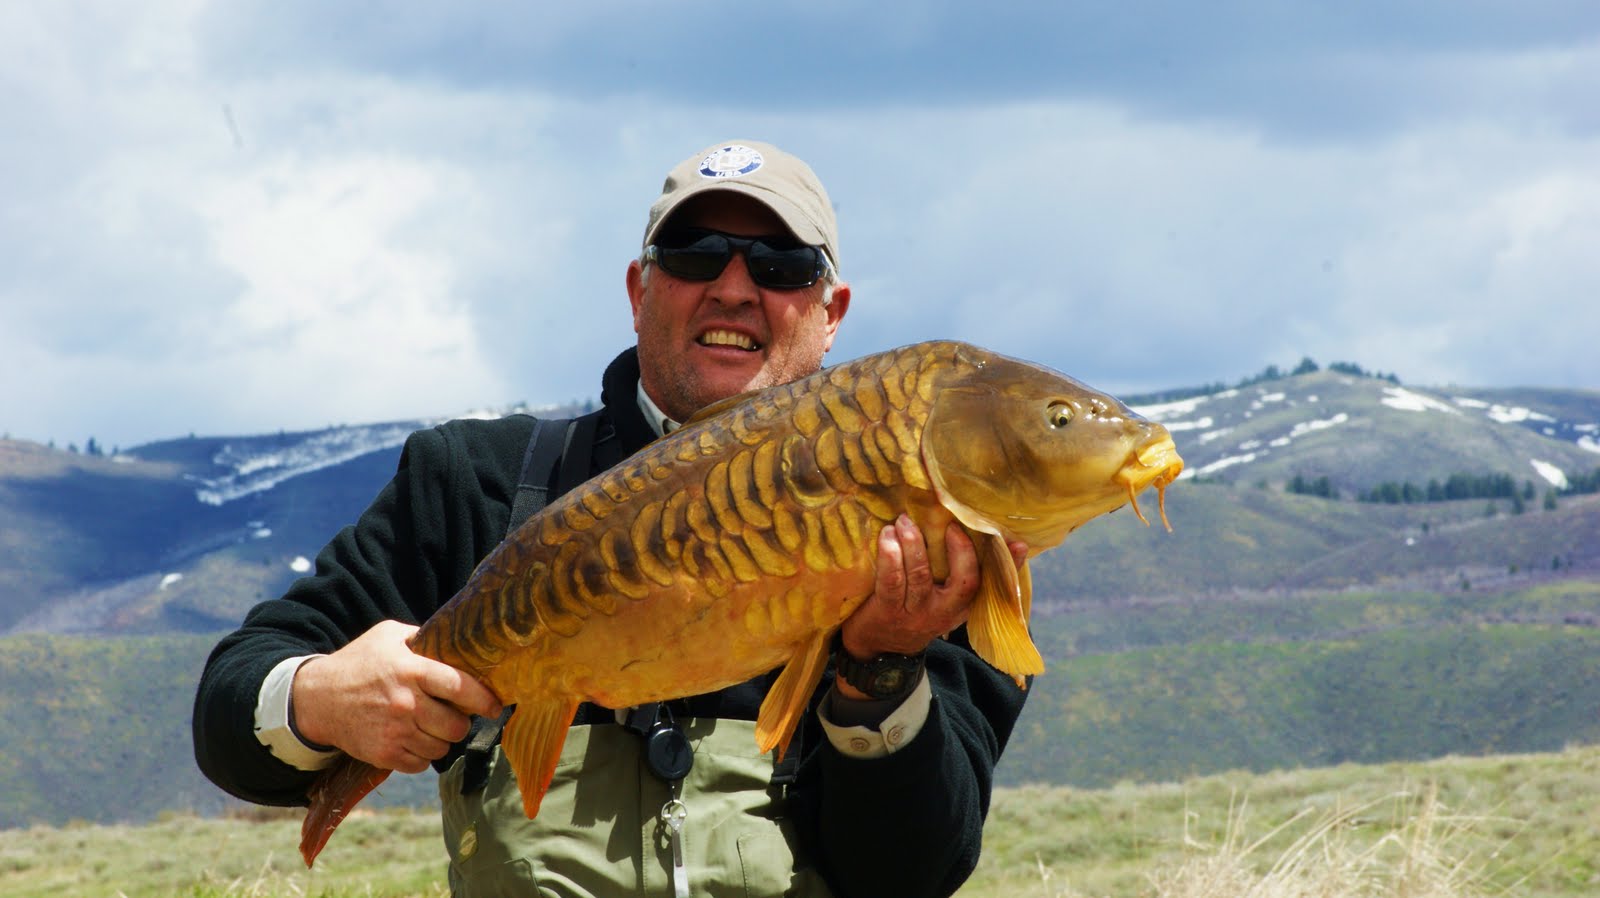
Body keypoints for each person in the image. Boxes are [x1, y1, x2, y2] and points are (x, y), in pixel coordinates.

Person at [193, 139, 1030, 898]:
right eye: (694, 255)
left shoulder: (928, 538)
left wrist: (879, 668)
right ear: (639, 290)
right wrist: (316, 698)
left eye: (780, 265)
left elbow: (913, 871)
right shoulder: (476, 483)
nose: (734, 287)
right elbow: (230, 712)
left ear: (830, 311)